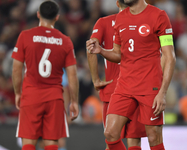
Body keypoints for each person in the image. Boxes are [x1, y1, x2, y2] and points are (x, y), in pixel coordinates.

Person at [86, 0, 176, 150]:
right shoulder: (120, 19)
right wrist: (101, 50)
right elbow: (118, 54)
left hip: (150, 86)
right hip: (125, 86)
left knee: (154, 137)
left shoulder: (158, 16)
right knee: (110, 133)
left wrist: (162, 92)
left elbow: (170, 56)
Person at [12, 1, 79, 150]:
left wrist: (17, 93)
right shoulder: (65, 41)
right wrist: (74, 101)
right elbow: (72, 74)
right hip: (54, 98)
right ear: (57, 17)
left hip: (31, 95)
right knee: (52, 143)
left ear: (38, 14)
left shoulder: (25, 36)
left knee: (29, 141)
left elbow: (16, 69)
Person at [87, 0, 146, 150]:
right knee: (135, 142)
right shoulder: (143, 22)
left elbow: (91, 48)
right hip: (138, 89)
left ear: (117, 3)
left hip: (113, 90)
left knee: (111, 141)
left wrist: (96, 79)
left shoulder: (104, 22)